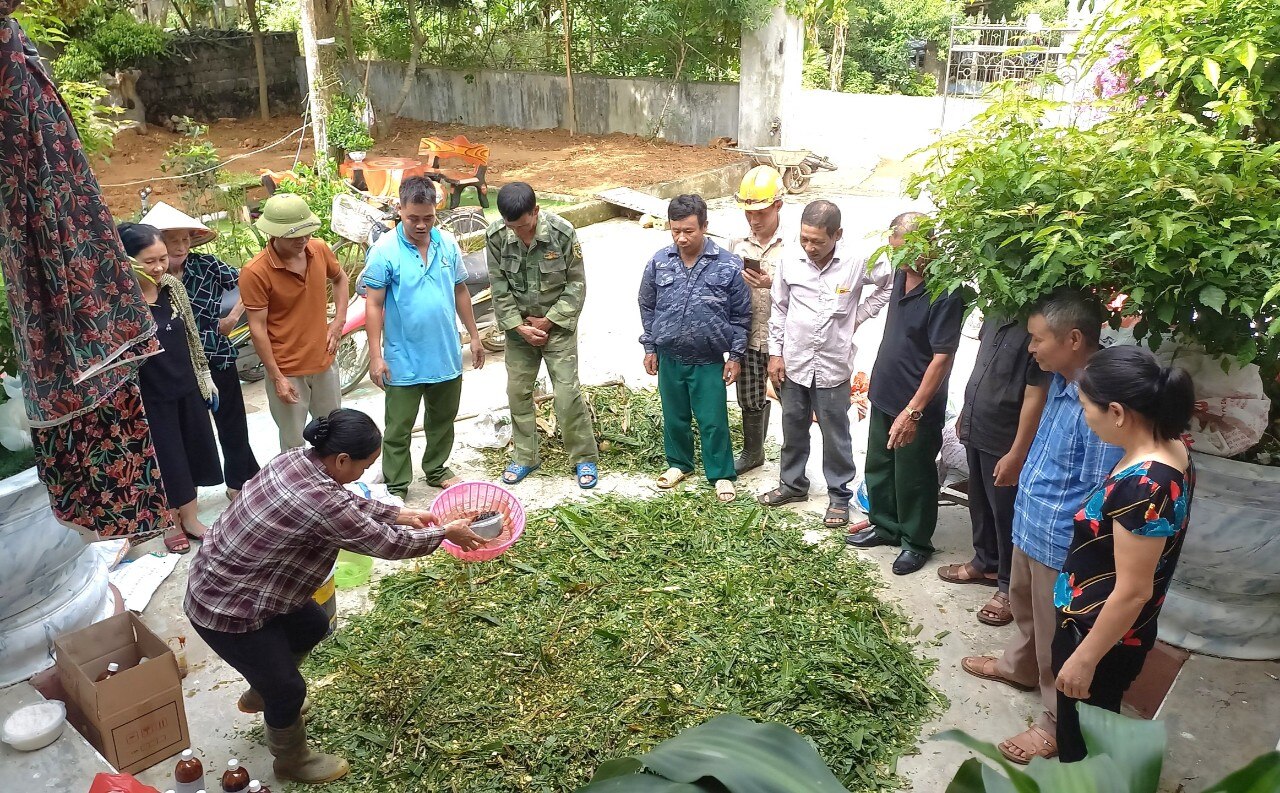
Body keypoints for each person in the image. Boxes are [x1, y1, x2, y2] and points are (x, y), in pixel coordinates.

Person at [184, 408, 485, 784]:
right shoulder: (321, 504)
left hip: (246, 584)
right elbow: (387, 544)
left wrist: (402, 513)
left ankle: (264, 688)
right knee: (289, 690)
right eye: (364, 466)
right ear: (342, 459)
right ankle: (291, 759)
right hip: (225, 607)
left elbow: (348, 504)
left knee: (311, 624)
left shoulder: (297, 458)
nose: (362, 474)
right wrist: (444, 534)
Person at [959, 289, 1123, 765]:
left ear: (1073, 339)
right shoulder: (1061, 380)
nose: (1030, 348)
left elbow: (1098, 488)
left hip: (1060, 540)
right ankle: (1019, 667)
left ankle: (1056, 721)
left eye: (1037, 339)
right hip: (1033, 522)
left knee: (1058, 636)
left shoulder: (1100, 400)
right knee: (1026, 609)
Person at [1053, 346, 1194, 762]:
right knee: (1092, 734)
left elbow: (1133, 591)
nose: (1085, 417)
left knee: (1083, 748)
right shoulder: (1171, 445)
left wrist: (1084, 660)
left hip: (1099, 636)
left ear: (1116, 411)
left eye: (1085, 407)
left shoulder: (1145, 487)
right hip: (1105, 628)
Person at [757, 200, 892, 529]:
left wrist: (857, 317)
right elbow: (779, 308)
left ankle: (838, 494)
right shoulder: (791, 259)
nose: (810, 247)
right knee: (792, 426)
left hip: (833, 363)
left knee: (835, 432)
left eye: (818, 240)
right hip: (794, 360)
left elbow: (888, 284)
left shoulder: (857, 261)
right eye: (805, 239)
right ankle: (792, 484)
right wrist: (776, 354)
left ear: (837, 235)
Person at [847, 212, 963, 575]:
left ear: (929, 245)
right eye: (896, 250)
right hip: (885, 389)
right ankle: (885, 525)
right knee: (880, 466)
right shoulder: (900, 273)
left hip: (916, 402)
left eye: (910, 251)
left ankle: (915, 541)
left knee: (913, 474)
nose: (903, 259)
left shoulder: (946, 290)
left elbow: (942, 358)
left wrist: (913, 411)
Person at [364, 177, 485, 497]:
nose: (421, 225)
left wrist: (473, 336)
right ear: (399, 210)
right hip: (403, 358)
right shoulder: (384, 251)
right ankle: (397, 482)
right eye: (412, 218)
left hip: (445, 351)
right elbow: (373, 304)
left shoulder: (447, 243)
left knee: (443, 419)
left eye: (428, 218)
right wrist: (376, 356)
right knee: (399, 426)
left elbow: (460, 289)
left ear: (436, 212)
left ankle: (436, 467)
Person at [143, 202, 262, 502]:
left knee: (232, 422)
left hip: (216, 354)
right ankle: (185, 495)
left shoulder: (206, 266)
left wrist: (233, 317)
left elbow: (252, 283)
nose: (181, 247)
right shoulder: (144, 283)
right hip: (173, 368)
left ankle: (239, 482)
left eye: (185, 239)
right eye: (173, 241)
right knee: (186, 431)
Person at [118, 223, 223, 554]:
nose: (159, 267)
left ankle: (191, 519)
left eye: (162, 258)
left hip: (185, 384)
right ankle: (171, 523)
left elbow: (191, 333)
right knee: (166, 459)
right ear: (126, 260)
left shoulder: (172, 288)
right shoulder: (121, 302)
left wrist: (204, 376)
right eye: (149, 261)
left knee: (193, 450)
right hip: (149, 395)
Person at [638, 194, 751, 503]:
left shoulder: (728, 265)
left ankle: (721, 474)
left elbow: (741, 314)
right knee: (674, 416)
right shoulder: (660, 261)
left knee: (713, 419)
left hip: (708, 359)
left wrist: (736, 355)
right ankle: (679, 464)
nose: (682, 238)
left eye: (689, 230)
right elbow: (647, 305)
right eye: (675, 230)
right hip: (669, 356)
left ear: (705, 226)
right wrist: (650, 346)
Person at [486, 182, 599, 488]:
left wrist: (548, 322)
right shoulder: (496, 236)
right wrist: (519, 326)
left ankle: (583, 457)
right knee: (518, 393)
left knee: (566, 393)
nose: (519, 234)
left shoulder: (562, 233)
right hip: (519, 329)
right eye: (513, 227)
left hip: (557, 327)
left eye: (524, 226)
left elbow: (576, 285)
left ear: (535, 212)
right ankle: (525, 456)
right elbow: (498, 286)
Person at [940, 315, 1048, 626]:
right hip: (979, 425)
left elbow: (1035, 393)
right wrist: (965, 412)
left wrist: (1017, 452)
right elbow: (981, 367)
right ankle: (983, 561)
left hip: (1006, 435)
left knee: (1007, 514)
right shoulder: (998, 311)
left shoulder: (1036, 321)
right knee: (980, 501)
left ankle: (1009, 588)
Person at [240, 193, 349, 451]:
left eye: (307, 233)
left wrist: (338, 322)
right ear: (275, 234)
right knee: (293, 443)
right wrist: (276, 376)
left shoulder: (319, 249)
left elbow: (340, 278)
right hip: (286, 368)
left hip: (323, 361)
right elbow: (257, 328)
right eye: (293, 236)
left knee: (333, 435)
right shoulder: (255, 272)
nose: (302, 240)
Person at [729, 166, 786, 474]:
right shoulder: (737, 243)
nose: (754, 219)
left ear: (778, 205)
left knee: (793, 403)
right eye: (749, 212)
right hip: (750, 334)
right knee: (749, 396)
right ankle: (753, 452)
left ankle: (793, 462)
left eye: (761, 211)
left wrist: (770, 284)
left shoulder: (794, 245)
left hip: (784, 339)